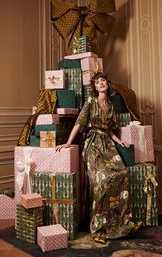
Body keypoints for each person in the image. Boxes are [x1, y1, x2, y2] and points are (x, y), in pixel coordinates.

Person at [56, 72, 141, 244]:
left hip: (107, 144)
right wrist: (68, 142)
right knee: (102, 181)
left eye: (103, 80)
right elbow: (79, 123)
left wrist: (119, 141)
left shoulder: (110, 105)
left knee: (122, 174)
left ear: (107, 84)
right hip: (93, 144)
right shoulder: (91, 102)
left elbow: (109, 129)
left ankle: (124, 223)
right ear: (94, 87)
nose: (101, 83)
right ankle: (98, 229)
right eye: (97, 82)